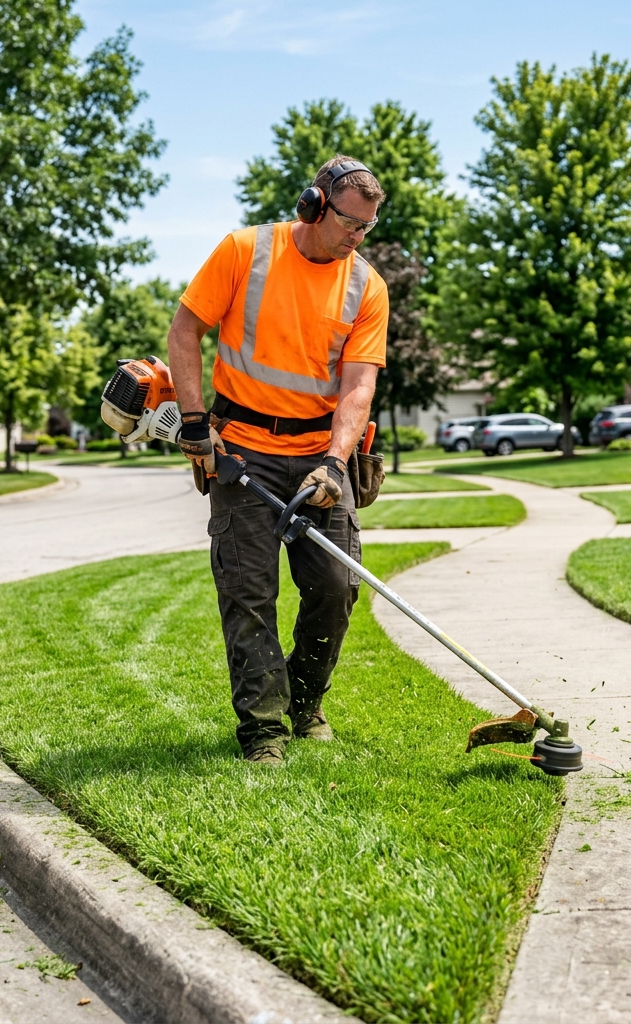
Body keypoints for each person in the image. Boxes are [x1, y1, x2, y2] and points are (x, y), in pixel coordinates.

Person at [167, 155, 390, 764]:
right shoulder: (245, 251)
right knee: (248, 593)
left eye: (367, 228)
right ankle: (264, 729)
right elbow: (185, 331)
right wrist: (193, 424)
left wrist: (336, 463)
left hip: (320, 454)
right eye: (349, 223)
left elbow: (358, 386)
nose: (357, 237)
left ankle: (304, 701)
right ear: (313, 205)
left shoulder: (366, 285)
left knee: (336, 585)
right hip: (241, 449)